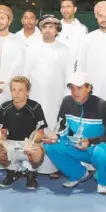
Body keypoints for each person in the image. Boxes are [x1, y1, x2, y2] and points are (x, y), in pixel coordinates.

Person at [43, 72, 106, 194]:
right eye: (72, 88)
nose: (74, 92)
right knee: (50, 145)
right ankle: (78, 174)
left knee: (102, 151)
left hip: (95, 149)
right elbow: (63, 129)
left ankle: (104, 181)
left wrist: (90, 142)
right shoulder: (67, 102)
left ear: (89, 88)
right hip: (76, 146)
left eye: (79, 88)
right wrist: (56, 136)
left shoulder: (102, 105)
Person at [24, 15, 72, 178]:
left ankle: (54, 166)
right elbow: (25, 74)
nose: (48, 30)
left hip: (56, 98)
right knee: (33, 129)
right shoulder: (31, 47)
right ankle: (31, 166)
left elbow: (68, 75)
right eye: (45, 27)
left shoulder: (64, 50)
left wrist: (66, 98)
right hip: (35, 97)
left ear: (57, 30)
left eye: (51, 27)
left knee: (54, 129)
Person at [0, 76, 47, 189]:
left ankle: (31, 172)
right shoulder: (5, 107)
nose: (16, 93)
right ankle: (12, 171)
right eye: (14, 90)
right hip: (11, 143)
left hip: (29, 144)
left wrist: (30, 144)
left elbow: (40, 133)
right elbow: (3, 133)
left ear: (27, 92)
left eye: (20, 90)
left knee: (37, 153)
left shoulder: (35, 107)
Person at [57, 0, 88, 72]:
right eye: (63, 7)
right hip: (57, 71)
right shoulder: (54, 27)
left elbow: (85, 53)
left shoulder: (82, 29)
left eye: (68, 6)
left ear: (75, 9)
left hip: (76, 73)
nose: (65, 10)